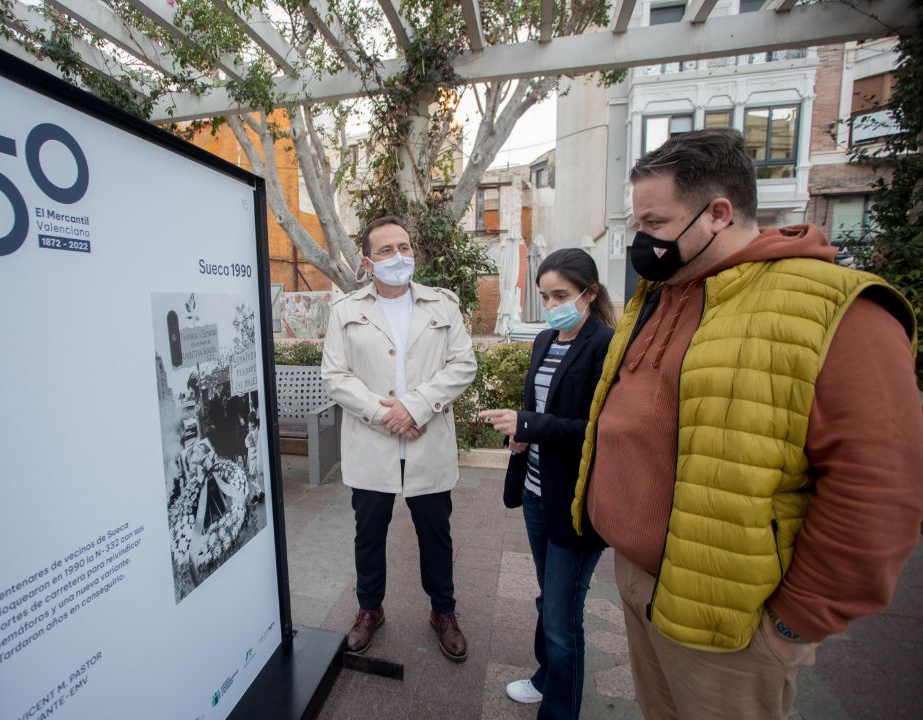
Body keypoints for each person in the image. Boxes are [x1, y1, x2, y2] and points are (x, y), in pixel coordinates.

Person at [571, 128, 923, 719]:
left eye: (654, 224)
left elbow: (880, 491)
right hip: (638, 579)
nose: (642, 241)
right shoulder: (661, 294)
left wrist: (793, 624)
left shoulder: (835, 309)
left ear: (718, 213)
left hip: (732, 619)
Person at [321, 215, 478, 660]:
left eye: (404, 248)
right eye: (387, 251)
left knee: (436, 534)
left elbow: (462, 366)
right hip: (372, 446)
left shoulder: (442, 305)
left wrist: (417, 405)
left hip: (427, 442)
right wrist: (385, 414)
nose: (399, 257)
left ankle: (443, 611)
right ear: (368, 262)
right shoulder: (346, 311)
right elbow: (335, 376)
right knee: (368, 533)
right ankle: (370, 609)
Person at [478, 249, 615, 719]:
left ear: (589, 294)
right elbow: (538, 408)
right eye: (544, 295)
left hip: (576, 500)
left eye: (561, 294)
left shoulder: (606, 346)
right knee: (548, 597)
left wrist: (529, 425)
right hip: (537, 491)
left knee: (562, 619)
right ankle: (545, 677)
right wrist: (521, 437)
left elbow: (598, 430)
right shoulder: (544, 340)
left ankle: (559, 711)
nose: (552, 303)